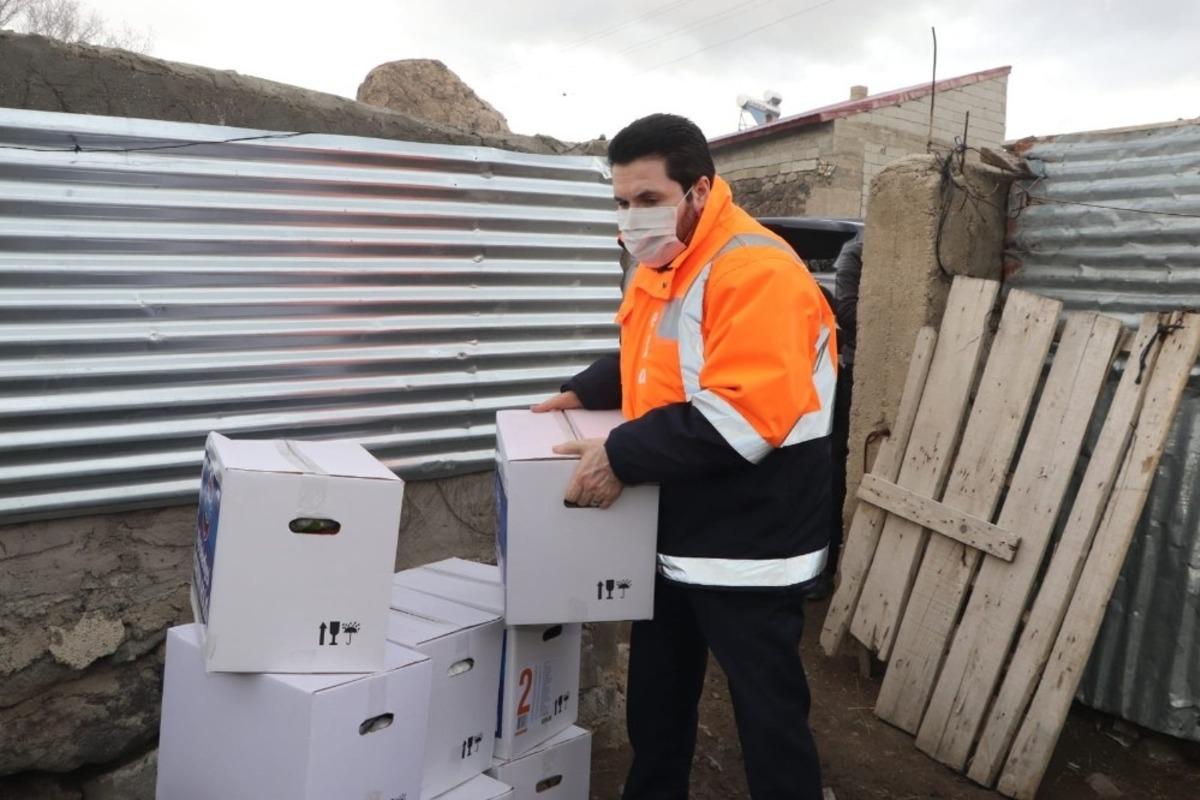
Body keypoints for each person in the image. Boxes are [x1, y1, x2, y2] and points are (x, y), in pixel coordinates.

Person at [534, 113, 836, 799]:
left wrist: (620, 454)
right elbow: (662, 357)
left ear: (698, 190)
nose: (633, 217)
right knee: (658, 698)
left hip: (751, 539)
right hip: (674, 523)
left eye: (648, 200)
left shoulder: (756, 271)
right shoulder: (666, 261)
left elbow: (741, 415)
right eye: (621, 202)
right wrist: (586, 388)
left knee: (768, 712)